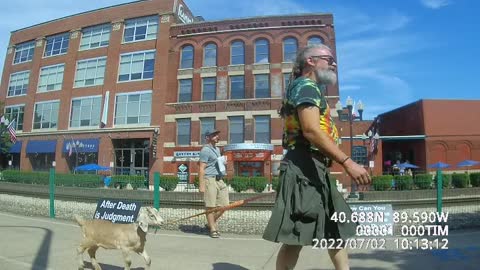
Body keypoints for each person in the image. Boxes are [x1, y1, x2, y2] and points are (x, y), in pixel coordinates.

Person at [263, 44, 371, 270]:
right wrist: (348, 162)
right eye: (328, 59)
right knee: (297, 234)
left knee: (336, 228)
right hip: (304, 167)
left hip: (314, 167)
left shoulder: (307, 88)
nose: (334, 64)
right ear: (310, 61)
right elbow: (311, 130)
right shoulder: (307, 86)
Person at [198, 130, 229, 238]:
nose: (217, 136)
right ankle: (212, 228)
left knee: (225, 205)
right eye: (214, 135)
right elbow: (202, 168)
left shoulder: (217, 149)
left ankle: (209, 223)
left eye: (217, 135)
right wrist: (201, 186)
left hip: (219, 179)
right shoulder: (205, 150)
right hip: (209, 179)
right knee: (210, 206)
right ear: (208, 137)